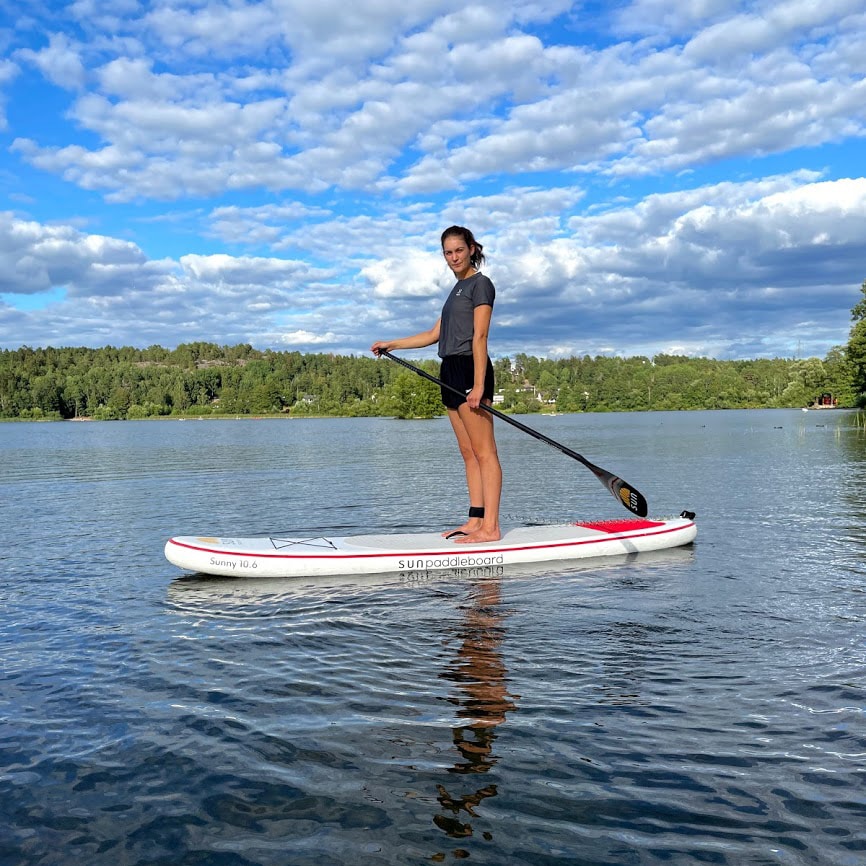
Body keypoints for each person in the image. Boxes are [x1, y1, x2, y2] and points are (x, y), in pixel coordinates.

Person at [371, 226, 502, 544]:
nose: (453, 257)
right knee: (468, 452)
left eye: (458, 250)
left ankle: (491, 528)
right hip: (449, 370)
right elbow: (434, 335)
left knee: (485, 453)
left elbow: (480, 337)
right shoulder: (455, 291)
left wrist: (479, 384)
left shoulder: (480, 285)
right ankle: (475, 520)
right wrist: (393, 344)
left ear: (471, 249)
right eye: (448, 252)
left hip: (471, 368)